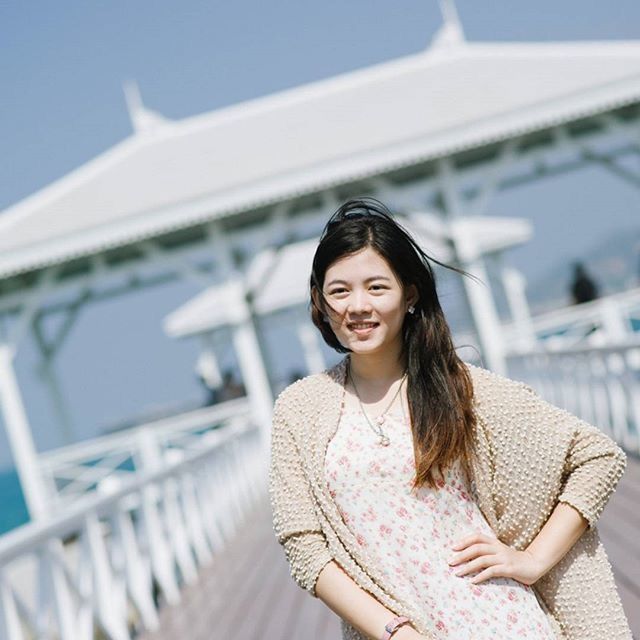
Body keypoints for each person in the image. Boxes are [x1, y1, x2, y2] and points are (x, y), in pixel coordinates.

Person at [268, 198, 631, 640]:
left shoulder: (461, 388)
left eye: (377, 288)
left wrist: (533, 560)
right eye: (339, 291)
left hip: (504, 621)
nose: (357, 306)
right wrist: (395, 632)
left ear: (410, 293)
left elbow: (597, 456)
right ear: (320, 302)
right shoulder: (300, 407)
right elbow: (304, 548)